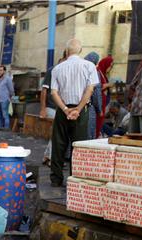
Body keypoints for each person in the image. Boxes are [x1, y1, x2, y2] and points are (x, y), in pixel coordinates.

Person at [49, 38, 99, 187]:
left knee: (58, 145)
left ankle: (56, 179)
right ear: (80, 50)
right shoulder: (89, 66)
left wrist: (65, 109)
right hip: (81, 110)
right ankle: (75, 179)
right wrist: (78, 108)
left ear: (66, 51)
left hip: (62, 110)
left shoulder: (57, 68)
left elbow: (53, 92)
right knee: (78, 146)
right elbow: (90, 89)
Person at [84, 52, 102, 139]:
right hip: (88, 108)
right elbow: (96, 94)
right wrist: (99, 109)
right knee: (88, 136)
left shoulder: (77, 69)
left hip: (72, 108)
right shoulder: (93, 71)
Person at [95, 55, 114, 137]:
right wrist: (108, 85)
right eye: (110, 66)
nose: (110, 68)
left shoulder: (103, 74)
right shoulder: (98, 72)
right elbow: (97, 87)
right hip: (99, 105)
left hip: (103, 104)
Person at [0, 65, 14, 130]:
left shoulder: (8, 79)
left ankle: (6, 131)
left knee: (5, 115)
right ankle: (0, 129)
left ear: (4, 71)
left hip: (4, 100)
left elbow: (11, 90)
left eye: (1, 70)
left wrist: (9, 97)